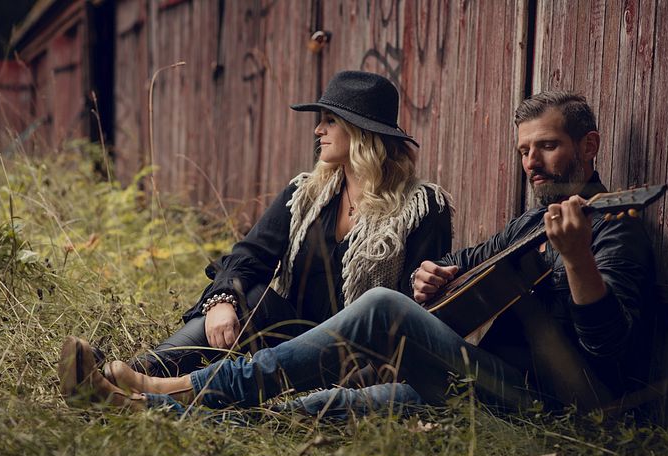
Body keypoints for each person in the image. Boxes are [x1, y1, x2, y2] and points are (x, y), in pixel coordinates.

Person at [59, 91, 655, 416]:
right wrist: (439, 274)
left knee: (383, 307)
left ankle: (179, 389)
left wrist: (578, 261)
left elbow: (613, 352)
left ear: (590, 146)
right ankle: (145, 409)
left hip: (557, 403)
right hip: (485, 383)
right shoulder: (533, 220)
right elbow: (473, 259)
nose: (531, 163)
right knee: (326, 405)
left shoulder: (615, 228)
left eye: (547, 147)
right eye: (524, 150)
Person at [113, 70, 453, 379]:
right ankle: (132, 376)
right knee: (253, 297)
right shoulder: (307, 194)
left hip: (357, 361)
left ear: (361, 131)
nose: (318, 130)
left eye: (330, 121)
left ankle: (151, 386)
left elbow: (419, 307)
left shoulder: (421, 207)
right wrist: (222, 301)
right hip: (291, 338)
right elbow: (250, 255)